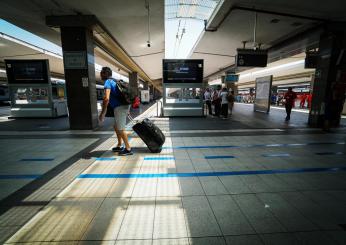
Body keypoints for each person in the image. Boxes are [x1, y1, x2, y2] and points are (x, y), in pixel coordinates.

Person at [98, 67, 133, 156]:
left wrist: (102, 113)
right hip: (122, 106)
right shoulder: (114, 81)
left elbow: (106, 98)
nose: (100, 74)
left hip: (120, 107)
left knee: (120, 128)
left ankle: (128, 149)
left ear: (105, 74)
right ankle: (119, 145)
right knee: (116, 126)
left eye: (101, 73)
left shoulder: (107, 82)